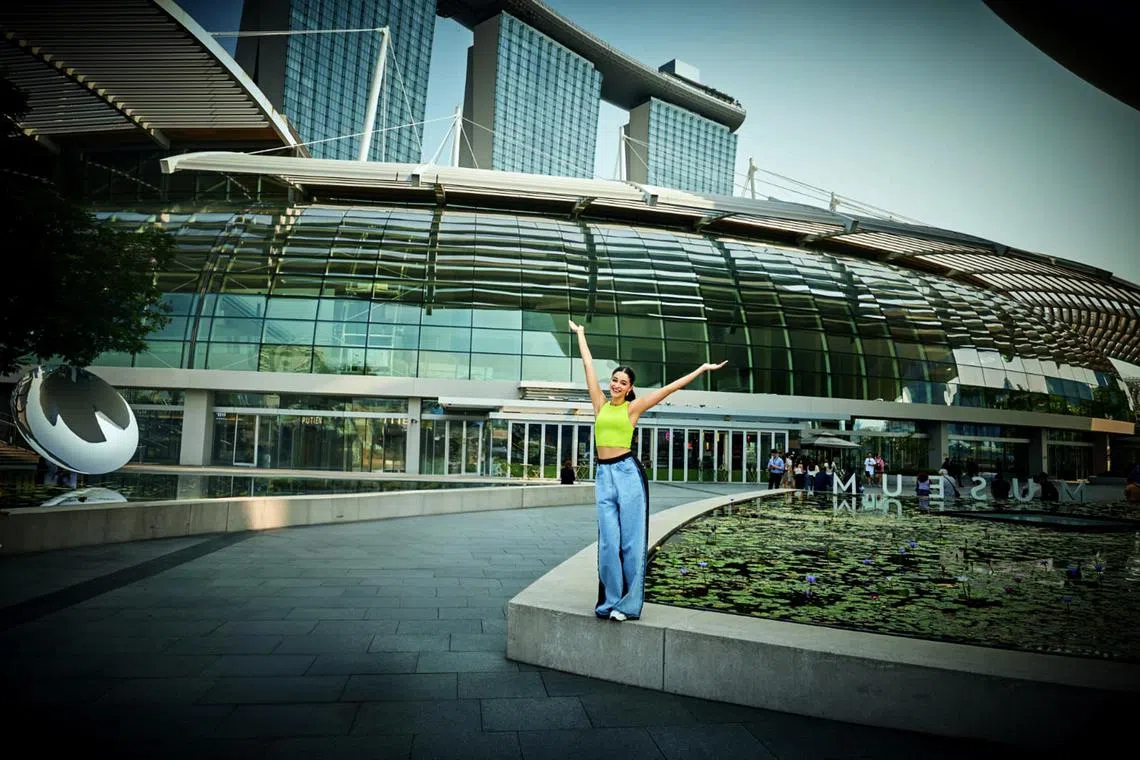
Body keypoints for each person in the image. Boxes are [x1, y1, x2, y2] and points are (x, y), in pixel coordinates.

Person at [570, 319, 726, 622]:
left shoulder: (632, 409)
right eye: (614, 379)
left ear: (630, 389)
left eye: (622, 382)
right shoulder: (600, 405)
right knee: (608, 544)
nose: (616, 384)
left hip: (628, 475)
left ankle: (627, 606)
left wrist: (702, 369)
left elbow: (669, 388)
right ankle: (611, 600)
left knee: (630, 543)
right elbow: (588, 366)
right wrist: (581, 335)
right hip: (604, 476)